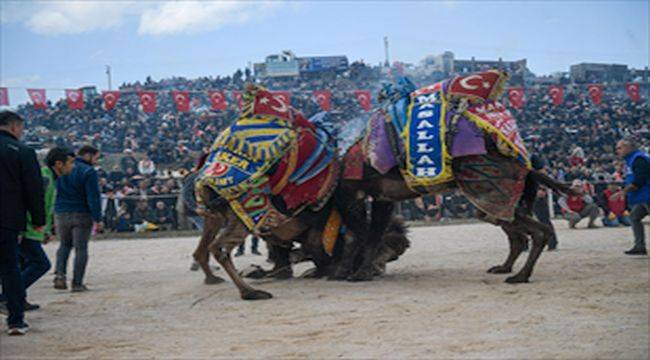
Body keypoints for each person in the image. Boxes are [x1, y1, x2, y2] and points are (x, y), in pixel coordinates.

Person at [0, 110, 45, 335]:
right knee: (10, 268)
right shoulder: (23, 151)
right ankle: (15, 321)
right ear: (15, 127)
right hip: (7, 218)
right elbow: (34, 189)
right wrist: (38, 220)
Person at [53, 145, 103, 292]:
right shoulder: (89, 171)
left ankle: (60, 275)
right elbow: (93, 197)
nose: (96, 161)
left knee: (64, 245)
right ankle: (77, 283)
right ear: (87, 155)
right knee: (81, 248)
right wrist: (97, 218)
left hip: (61, 211)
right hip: (81, 212)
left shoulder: (61, 168)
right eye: (96, 157)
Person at [616, 139, 650, 256]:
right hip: (643, 196)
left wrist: (623, 192)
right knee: (634, 217)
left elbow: (640, 180)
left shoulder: (639, 159)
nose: (618, 151)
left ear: (628, 147)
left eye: (620, 148)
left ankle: (640, 246)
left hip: (647, 194)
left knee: (634, 217)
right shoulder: (633, 159)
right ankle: (639, 246)